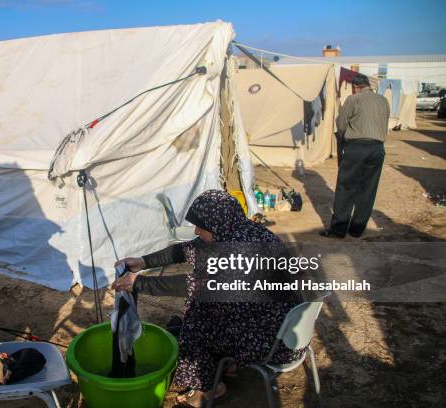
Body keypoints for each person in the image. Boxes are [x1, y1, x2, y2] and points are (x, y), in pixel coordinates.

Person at [112, 190, 303, 407]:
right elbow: (186, 250)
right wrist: (143, 262)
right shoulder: (239, 230)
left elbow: (194, 285)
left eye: (201, 227)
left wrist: (139, 283)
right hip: (280, 324)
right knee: (207, 309)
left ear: (217, 225)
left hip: (273, 339)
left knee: (197, 324)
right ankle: (229, 363)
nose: (196, 231)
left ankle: (211, 387)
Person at [321, 74, 390, 239]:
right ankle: (357, 229)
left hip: (357, 147)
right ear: (368, 85)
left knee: (346, 187)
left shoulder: (353, 99)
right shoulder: (383, 100)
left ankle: (338, 229)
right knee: (368, 189)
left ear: (355, 87)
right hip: (377, 148)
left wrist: (343, 139)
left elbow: (341, 124)